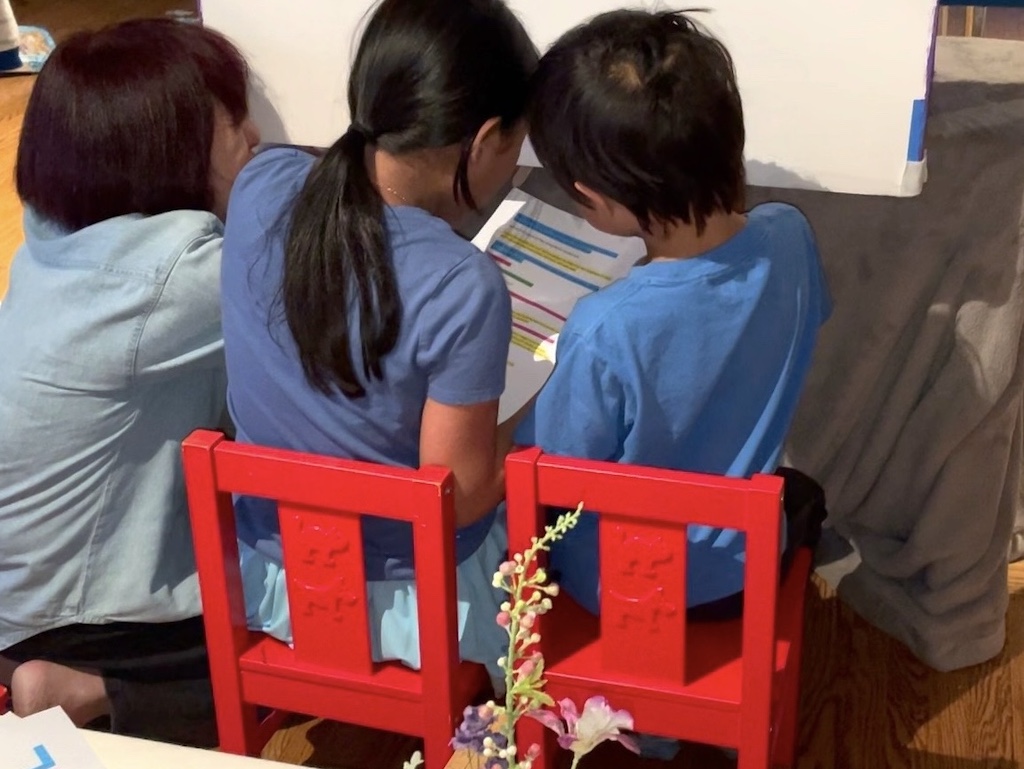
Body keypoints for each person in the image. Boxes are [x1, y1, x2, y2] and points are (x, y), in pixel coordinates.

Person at [220, 0, 536, 680]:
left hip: (265, 570)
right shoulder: (462, 283)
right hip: (405, 602)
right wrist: (529, 424)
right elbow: (458, 492)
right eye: (514, 147)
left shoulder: (260, 183)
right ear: (481, 143)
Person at [515, 9, 831, 623]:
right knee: (802, 496)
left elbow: (553, 469)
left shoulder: (605, 327)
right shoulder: (791, 236)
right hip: (741, 573)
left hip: (620, 585)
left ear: (594, 200)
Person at [0, 19, 259, 744]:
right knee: (292, 641)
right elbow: (336, 290)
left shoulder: (55, 230)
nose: (256, 135)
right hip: (88, 616)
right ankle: (92, 691)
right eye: (232, 121)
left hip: (23, 585)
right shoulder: (176, 281)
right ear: (165, 149)